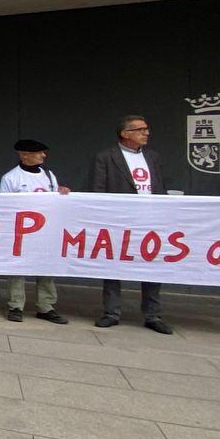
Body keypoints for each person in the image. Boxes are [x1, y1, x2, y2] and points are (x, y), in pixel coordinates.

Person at [88, 114, 172, 334]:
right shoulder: (106, 157)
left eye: (147, 129)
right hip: (119, 221)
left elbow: (160, 186)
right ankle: (111, 312)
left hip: (150, 220)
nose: (147, 133)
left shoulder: (153, 157)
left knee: (151, 266)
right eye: (141, 129)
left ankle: (152, 315)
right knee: (113, 266)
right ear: (125, 134)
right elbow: (97, 189)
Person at [0, 139, 71, 325]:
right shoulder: (11, 178)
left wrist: (61, 192)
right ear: (24, 155)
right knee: (18, 267)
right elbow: (3, 206)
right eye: (39, 152)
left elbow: (56, 198)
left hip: (46, 230)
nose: (43, 155)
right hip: (21, 231)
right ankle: (16, 305)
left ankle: (46, 306)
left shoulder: (49, 175)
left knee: (46, 267)